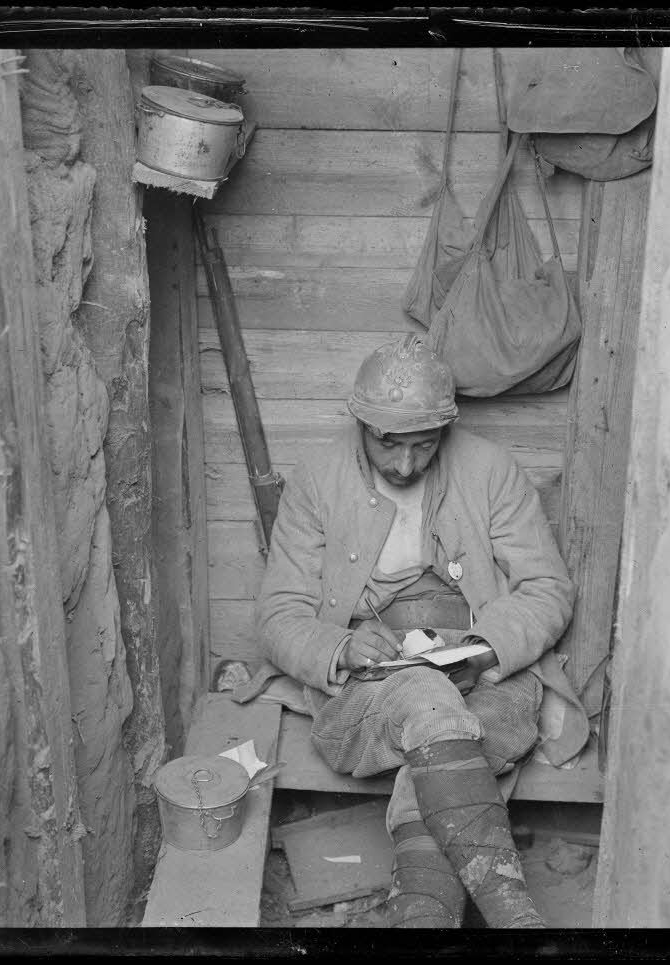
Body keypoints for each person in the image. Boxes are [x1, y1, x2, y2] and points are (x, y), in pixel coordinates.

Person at [240, 334, 588, 928]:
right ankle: (516, 917)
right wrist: (341, 646)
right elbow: (278, 615)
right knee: (430, 704)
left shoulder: (489, 471)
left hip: (488, 676)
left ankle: (420, 915)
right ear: (361, 424)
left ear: (445, 430)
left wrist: (483, 648)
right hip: (368, 686)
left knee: (445, 746)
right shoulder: (319, 481)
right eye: (388, 445)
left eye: (424, 446)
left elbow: (547, 588)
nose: (405, 465)